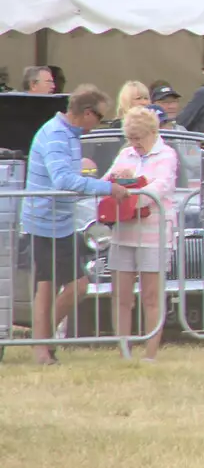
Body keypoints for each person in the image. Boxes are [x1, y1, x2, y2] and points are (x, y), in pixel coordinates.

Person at [21, 86, 124, 364]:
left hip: (59, 221)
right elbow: (63, 180)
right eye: (100, 118)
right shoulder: (56, 134)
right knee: (61, 286)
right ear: (87, 113)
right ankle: (42, 345)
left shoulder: (68, 134)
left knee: (61, 286)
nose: (99, 124)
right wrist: (107, 188)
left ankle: (42, 344)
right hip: (45, 220)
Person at [103, 107, 177, 362]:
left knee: (151, 295)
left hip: (154, 233)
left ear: (153, 132)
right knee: (121, 295)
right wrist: (117, 178)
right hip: (123, 232)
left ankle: (151, 353)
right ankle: (124, 351)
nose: (135, 145)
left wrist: (134, 191)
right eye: (131, 139)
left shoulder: (167, 155)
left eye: (139, 139)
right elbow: (107, 181)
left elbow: (162, 186)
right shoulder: (125, 153)